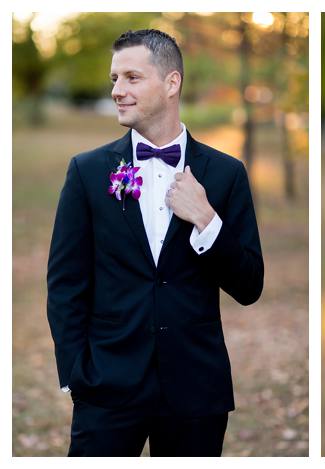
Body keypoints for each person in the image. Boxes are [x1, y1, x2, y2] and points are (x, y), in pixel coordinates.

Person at [46, 29, 264, 456]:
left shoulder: (225, 174)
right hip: (106, 389)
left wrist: (206, 218)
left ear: (171, 83)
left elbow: (249, 285)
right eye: (114, 79)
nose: (117, 91)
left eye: (131, 77)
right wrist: (77, 374)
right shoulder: (88, 172)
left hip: (195, 392)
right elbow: (65, 283)